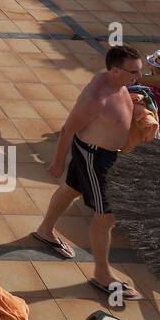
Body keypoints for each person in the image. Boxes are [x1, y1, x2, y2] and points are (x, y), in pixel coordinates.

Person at [32, 44, 144, 301]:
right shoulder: (96, 98)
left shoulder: (115, 82)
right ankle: (102, 275)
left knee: (72, 188)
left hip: (104, 154)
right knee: (107, 216)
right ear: (115, 71)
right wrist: (58, 163)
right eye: (134, 72)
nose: (138, 76)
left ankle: (45, 230)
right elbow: (67, 130)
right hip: (96, 157)